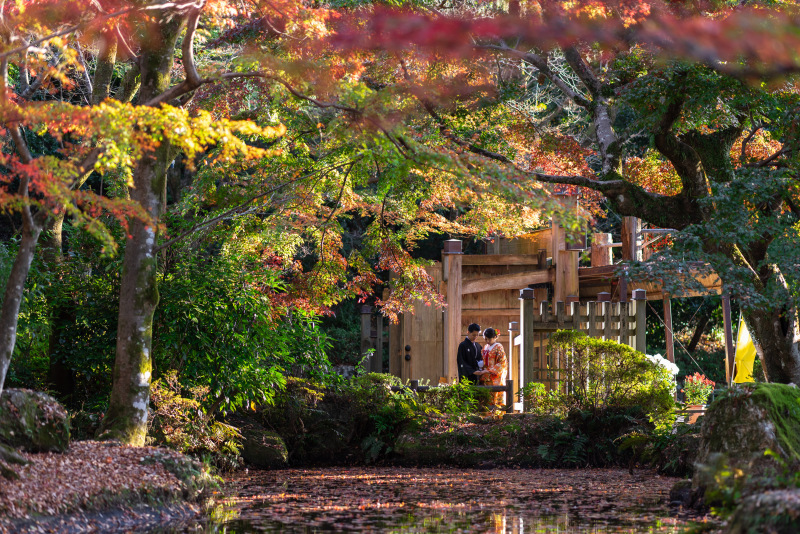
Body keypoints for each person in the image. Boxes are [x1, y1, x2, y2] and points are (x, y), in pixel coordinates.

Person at [475, 328, 508, 411]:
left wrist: (490, 370)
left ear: (495, 337)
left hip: (494, 376)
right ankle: (486, 416)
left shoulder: (498, 347)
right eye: (485, 339)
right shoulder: (485, 347)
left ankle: (496, 416)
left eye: (489, 339)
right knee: (485, 397)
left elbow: (502, 362)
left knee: (495, 396)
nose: (487, 341)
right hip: (485, 376)